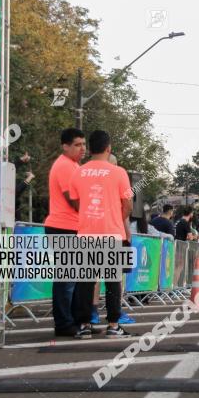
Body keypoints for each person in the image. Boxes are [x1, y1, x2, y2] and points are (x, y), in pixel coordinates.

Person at [68, 130, 135, 339]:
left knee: (85, 281)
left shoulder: (78, 172)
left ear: (89, 148)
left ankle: (84, 325)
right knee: (112, 280)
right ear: (109, 148)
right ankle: (114, 325)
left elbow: (75, 201)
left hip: (86, 233)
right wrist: (116, 217)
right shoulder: (118, 172)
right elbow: (128, 204)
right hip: (112, 233)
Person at [44, 127, 85, 337]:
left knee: (73, 279)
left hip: (70, 227)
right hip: (63, 226)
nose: (83, 149)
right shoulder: (66, 167)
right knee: (67, 280)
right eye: (77, 145)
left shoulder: (73, 165)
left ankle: (74, 321)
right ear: (65, 146)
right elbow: (74, 200)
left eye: (84, 144)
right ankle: (64, 324)